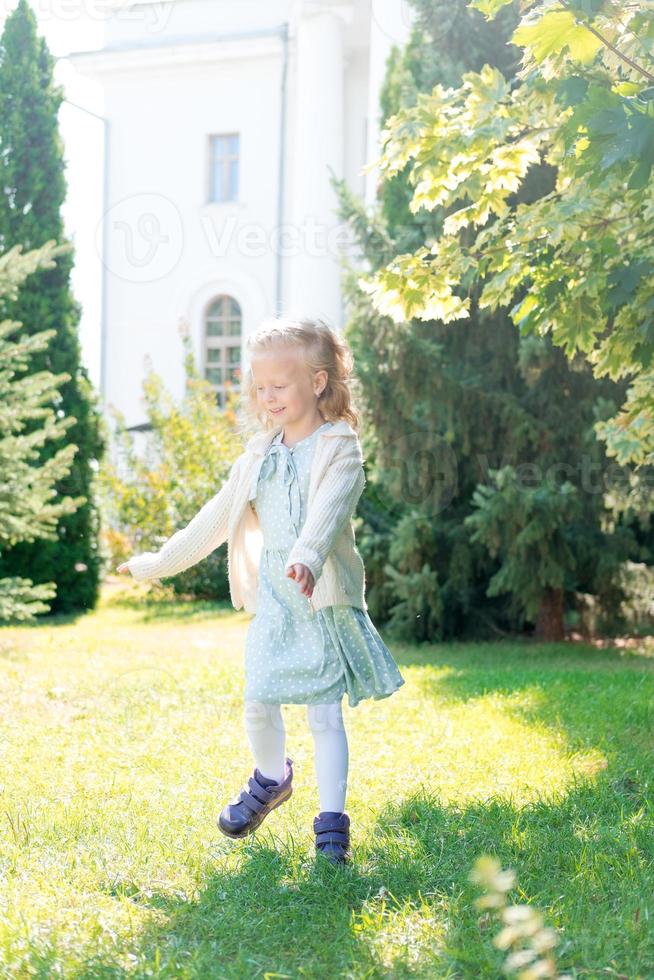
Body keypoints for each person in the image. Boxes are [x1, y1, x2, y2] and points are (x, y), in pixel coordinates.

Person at [117, 315, 405, 863]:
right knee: (258, 700)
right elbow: (216, 518)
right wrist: (159, 562)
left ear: (317, 383)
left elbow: (329, 508)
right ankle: (272, 778)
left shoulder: (337, 446)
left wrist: (307, 557)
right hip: (276, 595)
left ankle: (332, 822)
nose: (266, 397)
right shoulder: (259, 455)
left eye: (279, 386)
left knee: (324, 714)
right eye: (259, 386)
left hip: (318, 596)